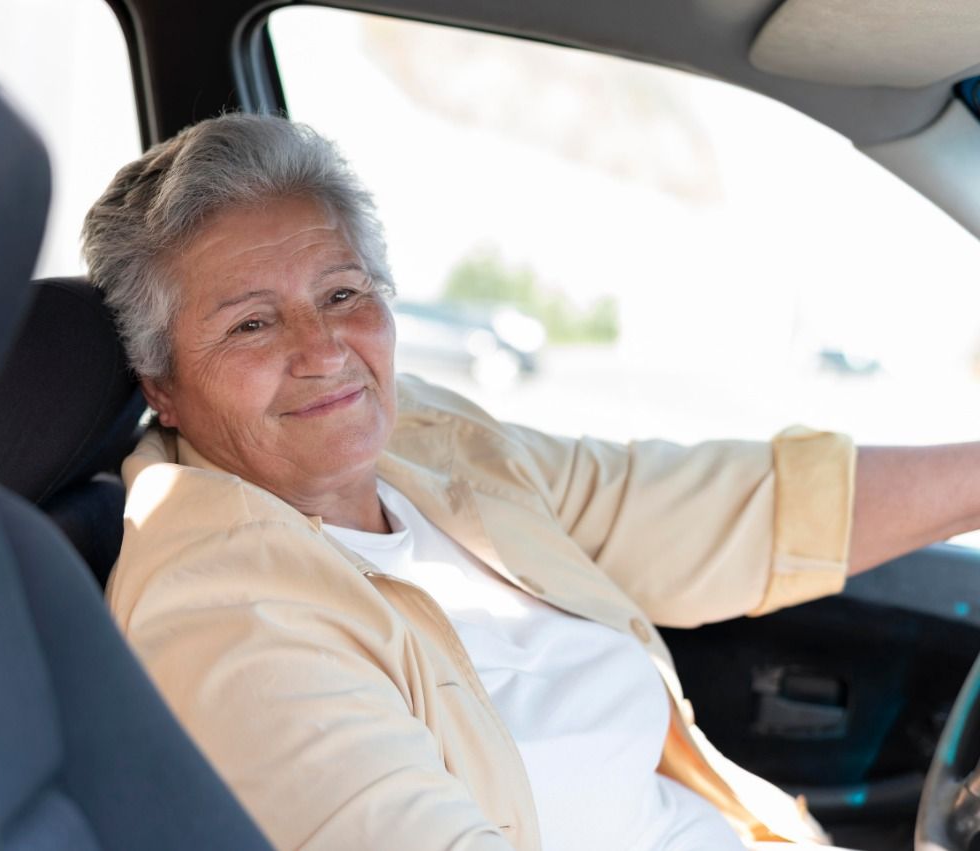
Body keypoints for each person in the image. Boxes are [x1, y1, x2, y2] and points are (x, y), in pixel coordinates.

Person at [82, 113, 980, 850]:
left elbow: (713, 510)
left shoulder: (425, 442)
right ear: (161, 381)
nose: (325, 351)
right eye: (250, 325)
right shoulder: (220, 614)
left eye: (345, 294)